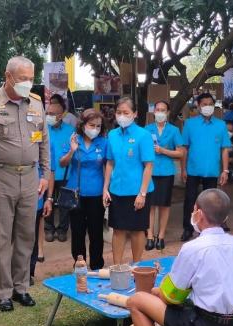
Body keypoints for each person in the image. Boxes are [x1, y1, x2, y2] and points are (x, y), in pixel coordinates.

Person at [127, 189, 233, 326]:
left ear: (198, 214)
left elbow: (171, 297)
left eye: (194, 210)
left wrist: (157, 292)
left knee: (136, 300)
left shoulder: (193, 248)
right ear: (225, 219)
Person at [0, 56, 50, 312]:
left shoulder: (36, 104)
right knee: (1, 237)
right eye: (23, 79)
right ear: (8, 76)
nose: (28, 83)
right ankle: (2, 292)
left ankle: (21, 288)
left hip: (29, 178)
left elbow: (44, 141)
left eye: (31, 78)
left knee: (26, 236)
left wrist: (46, 174)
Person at [103, 97, 154, 264]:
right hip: (117, 189)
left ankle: (136, 266)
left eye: (126, 112)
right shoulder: (112, 135)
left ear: (135, 114)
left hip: (138, 191)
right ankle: (117, 267)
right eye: (119, 112)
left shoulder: (144, 135)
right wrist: (105, 189)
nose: (122, 116)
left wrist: (142, 193)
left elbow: (148, 166)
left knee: (137, 231)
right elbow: (110, 163)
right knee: (118, 230)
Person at [60, 109, 107, 269]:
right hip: (76, 193)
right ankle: (79, 263)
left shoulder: (103, 142)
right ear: (83, 125)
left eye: (98, 126)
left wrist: (107, 189)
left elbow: (109, 166)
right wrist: (72, 151)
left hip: (97, 193)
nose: (95, 129)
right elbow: (62, 163)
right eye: (92, 125)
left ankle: (96, 265)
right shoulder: (74, 139)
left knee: (96, 232)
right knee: (78, 231)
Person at [180, 93, 231, 242]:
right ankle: (188, 229)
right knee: (190, 200)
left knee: (210, 201)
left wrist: (225, 170)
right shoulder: (190, 124)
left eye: (210, 104)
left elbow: (224, 149)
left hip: (212, 170)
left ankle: (209, 229)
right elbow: (184, 148)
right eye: (204, 104)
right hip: (193, 169)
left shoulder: (221, 125)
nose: (207, 107)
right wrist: (183, 169)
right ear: (198, 106)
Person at [144, 101, 184, 251]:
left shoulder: (174, 131)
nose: (160, 113)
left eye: (163, 110)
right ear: (153, 112)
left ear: (167, 113)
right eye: (157, 110)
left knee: (164, 205)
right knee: (150, 205)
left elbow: (180, 152)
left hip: (166, 172)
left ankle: (160, 236)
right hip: (150, 171)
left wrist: (163, 151)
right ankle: (149, 235)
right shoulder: (147, 130)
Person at [43, 100, 75, 242]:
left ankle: (62, 230)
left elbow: (74, 152)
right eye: (47, 113)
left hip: (65, 174)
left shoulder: (70, 131)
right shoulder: (41, 129)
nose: (48, 116)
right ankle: (49, 229)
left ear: (61, 116)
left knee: (64, 205)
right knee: (46, 202)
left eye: (52, 114)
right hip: (46, 174)